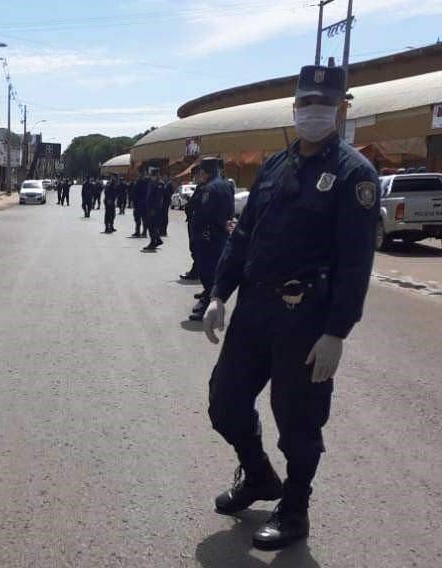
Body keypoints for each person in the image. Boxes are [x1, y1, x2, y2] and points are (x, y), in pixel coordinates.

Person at [202, 65, 380, 551]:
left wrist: (337, 332)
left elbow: (355, 262)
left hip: (307, 317)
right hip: (254, 309)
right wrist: (219, 293)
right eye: (307, 103)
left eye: (326, 104)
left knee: (298, 419)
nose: (314, 112)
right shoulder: (275, 166)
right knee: (225, 402)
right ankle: (258, 475)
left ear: (340, 109)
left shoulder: (353, 174)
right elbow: (243, 237)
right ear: (294, 107)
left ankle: (295, 509)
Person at [189, 159, 234, 321]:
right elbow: (231, 211)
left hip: (208, 236)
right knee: (215, 269)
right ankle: (210, 299)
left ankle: (208, 304)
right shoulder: (226, 185)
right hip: (220, 235)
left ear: (204, 171)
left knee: (207, 272)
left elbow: (203, 214)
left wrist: (197, 234)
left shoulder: (209, 188)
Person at [142, 175, 164, 251]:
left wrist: (154, 209)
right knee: (151, 225)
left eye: (153, 175)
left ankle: (153, 242)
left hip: (155, 209)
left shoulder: (159, 184)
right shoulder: (152, 183)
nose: (151, 177)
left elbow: (158, 198)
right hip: (150, 208)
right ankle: (157, 240)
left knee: (152, 226)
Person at [131, 173, 149, 238]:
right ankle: (143, 232)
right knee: (144, 219)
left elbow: (134, 193)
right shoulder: (147, 183)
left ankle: (139, 232)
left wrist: (133, 201)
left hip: (139, 204)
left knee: (138, 218)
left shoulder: (139, 183)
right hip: (144, 204)